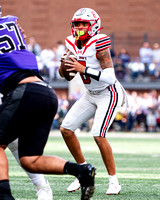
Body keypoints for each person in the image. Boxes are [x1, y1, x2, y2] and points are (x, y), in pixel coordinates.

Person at [0, 12, 96, 200]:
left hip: (23, 91)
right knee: (30, 160)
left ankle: (5, 197)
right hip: (45, 92)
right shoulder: (11, 25)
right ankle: (81, 171)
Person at [59, 8, 128, 195]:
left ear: (93, 26)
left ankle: (114, 181)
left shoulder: (100, 42)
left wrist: (83, 68)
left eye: (84, 24)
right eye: (77, 24)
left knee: (98, 133)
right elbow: (66, 76)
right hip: (91, 93)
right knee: (66, 129)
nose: (80, 27)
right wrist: (64, 66)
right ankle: (83, 173)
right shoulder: (71, 42)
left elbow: (110, 77)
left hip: (109, 92)